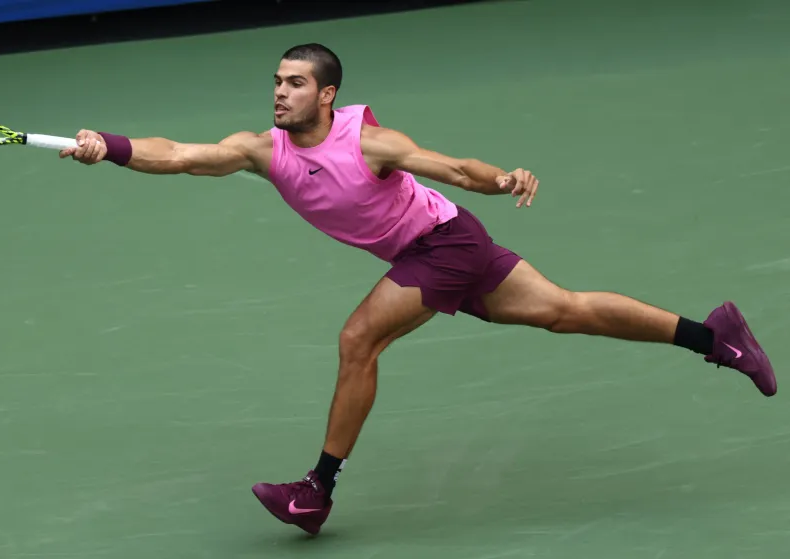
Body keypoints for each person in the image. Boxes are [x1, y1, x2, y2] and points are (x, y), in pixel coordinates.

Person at [60, 43, 776, 535]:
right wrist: (112, 148)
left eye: (295, 82)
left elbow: (452, 166)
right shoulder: (260, 149)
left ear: (327, 93)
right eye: (276, 81)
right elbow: (182, 155)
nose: (280, 91)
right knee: (566, 311)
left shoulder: (365, 139)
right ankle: (716, 336)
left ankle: (317, 490)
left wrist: (502, 178)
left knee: (357, 338)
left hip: (445, 242)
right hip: (441, 245)